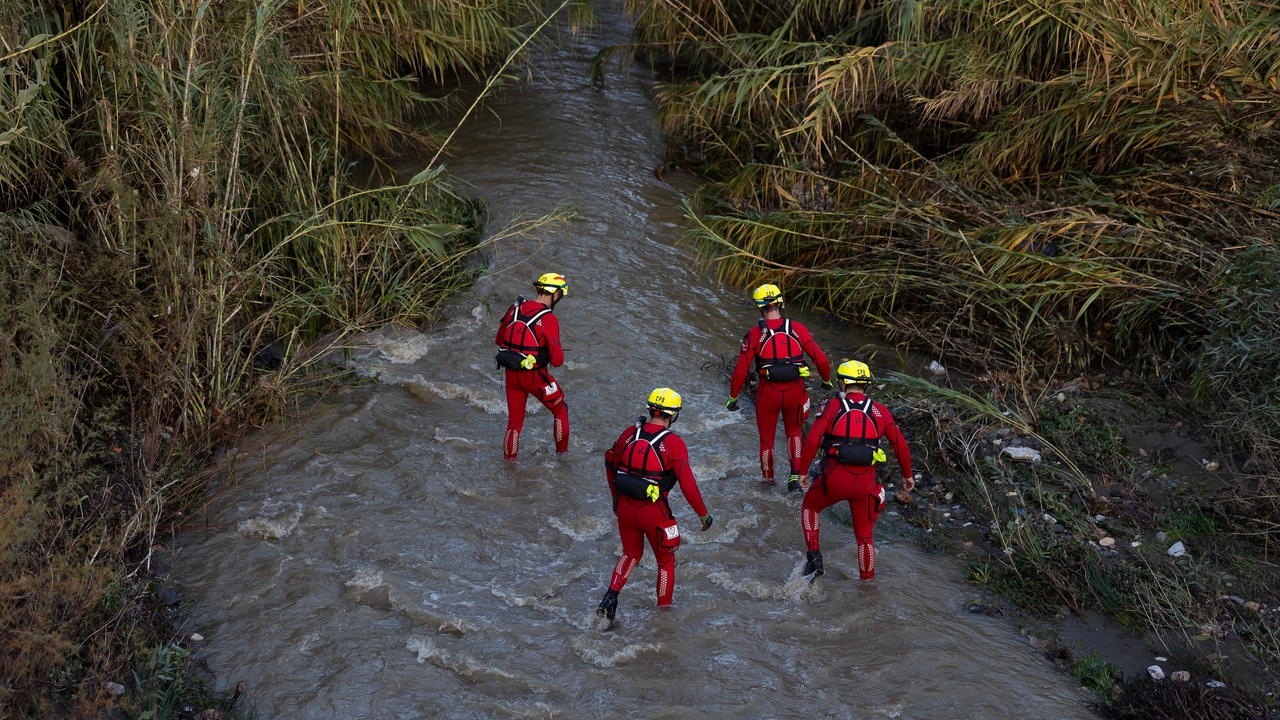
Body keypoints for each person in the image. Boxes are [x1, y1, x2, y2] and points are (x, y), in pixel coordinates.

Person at [598, 388, 714, 620]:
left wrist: (615, 499)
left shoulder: (630, 433)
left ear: (651, 409)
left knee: (630, 554)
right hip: (655, 511)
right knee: (666, 561)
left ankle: (610, 597)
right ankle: (664, 619)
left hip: (626, 508)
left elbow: (610, 460)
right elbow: (688, 485)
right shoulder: (674, 443)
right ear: (673, 415)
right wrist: (704, 516)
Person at [796, 360, 914, 581]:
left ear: (842, 383)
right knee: (865, 538)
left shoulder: (831, 407)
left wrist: (803, 471)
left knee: (810, 507)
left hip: (834, 480)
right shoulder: (880, 411)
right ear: (865, 385)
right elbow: (900, 445)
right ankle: (867, 586)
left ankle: (814, 557)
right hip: (865, 485)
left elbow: (813, 439)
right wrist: (907, 475)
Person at [725, 283, 832, 492]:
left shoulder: (754, 334)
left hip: (768, 393)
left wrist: (733, 398)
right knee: (794, 433)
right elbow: (821, 359)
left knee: (767, 440)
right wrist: (826, 382)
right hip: (795, 392)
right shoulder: (798, 329)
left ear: (759, 308)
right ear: (780, 302)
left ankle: (768, 481)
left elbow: (740, 371)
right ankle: (794, 478)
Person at [493, 273, 569, 461]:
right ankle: (562, 457)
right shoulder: (549, 318)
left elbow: (498, 339)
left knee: (514, 423)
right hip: (535, 377)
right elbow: (558, 361)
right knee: (560, 410)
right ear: (556, 295)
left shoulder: (515, 308)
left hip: (511, 374)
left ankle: (509, 465)